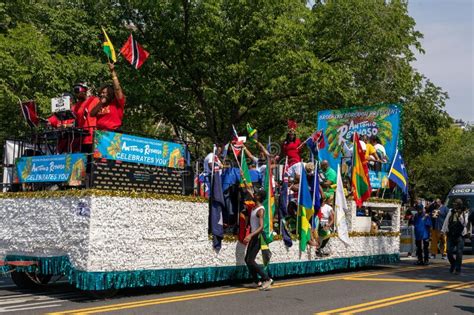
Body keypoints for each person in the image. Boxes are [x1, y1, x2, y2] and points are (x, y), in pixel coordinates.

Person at [243, 188, 273, 290]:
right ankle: (257, 281)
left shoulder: (260, 210)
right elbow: (249, 191)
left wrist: (250, 235)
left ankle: (267, 278)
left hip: (258, 237)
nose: (253, 194)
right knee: (247, 260)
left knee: (250, 260)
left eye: (255, 194)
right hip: (254, 236)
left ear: (259, 197)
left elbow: (261, 227)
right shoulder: (255, 204)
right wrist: (243, 177)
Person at [90, 62, 125, 131]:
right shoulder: (101, 104)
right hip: (100, 135)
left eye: (104, 93)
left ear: (110, 93)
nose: (101, 94)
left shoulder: (116, 103)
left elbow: (117, 89)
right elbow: (92, 114)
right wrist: (101, 103)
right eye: (101, 93)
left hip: (113, 133)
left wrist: (112, 71)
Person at [442, 199, 472, 274]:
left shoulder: (464, 212)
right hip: (451, 234)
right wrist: (443, 230)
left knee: (459, 252)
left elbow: (465, 223)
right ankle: (453, 263)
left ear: (459, 204)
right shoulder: (451, 211)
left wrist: (460, 215)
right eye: (454, 203)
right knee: (449, 251)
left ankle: (458, 269)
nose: (454, 205)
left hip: (460, 235)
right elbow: (446, 220)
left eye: (456, 204)